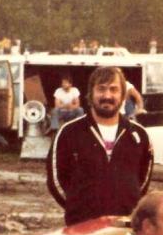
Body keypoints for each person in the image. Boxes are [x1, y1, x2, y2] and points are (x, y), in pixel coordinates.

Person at [46, 65, 154, 226]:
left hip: (125, 226)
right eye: (101, 89)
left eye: (113, 89)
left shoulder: (139, 135)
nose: (107, 95)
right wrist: (77, 207)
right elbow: (56, 181)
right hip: (81, 226)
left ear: (123, 95)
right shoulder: (68, 133)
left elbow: (143, 180)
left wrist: (128, 203)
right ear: (91, 93)